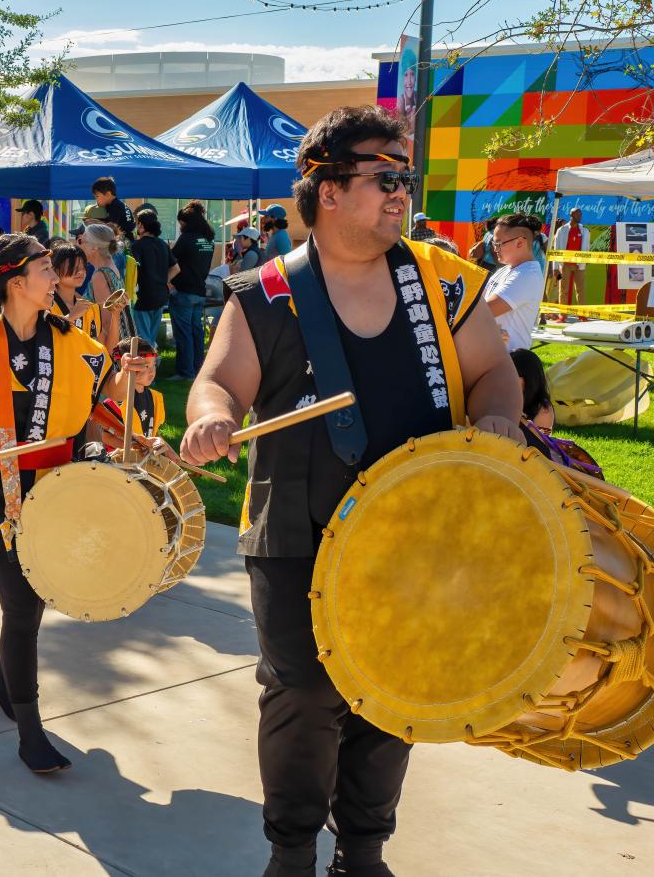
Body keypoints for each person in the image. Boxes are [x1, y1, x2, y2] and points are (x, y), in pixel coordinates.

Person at [180, 105, 522, 877]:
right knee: (302, 695)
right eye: (384, 176)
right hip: (297, 534)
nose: (401, 192)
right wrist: (208, 420)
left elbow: (494, 371)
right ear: (327, 189)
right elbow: (217, 383)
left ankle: (363, 851)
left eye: (406, 178)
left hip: (421, 530)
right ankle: (292, 852)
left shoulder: (443, 280)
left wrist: (501, 418)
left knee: (394, 689)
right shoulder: (263, 293)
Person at [0, 233, 141, 771]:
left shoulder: (70, 339)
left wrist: (134, 374)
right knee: (22, 609)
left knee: (35, 598)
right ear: (17, 282)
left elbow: (109, 390)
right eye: (47, 269)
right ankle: (30, 730)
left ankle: (5, 686)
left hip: (61, 490)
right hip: (2, 490)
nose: (58, 277)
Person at [485, 213, 545, 352]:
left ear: (520, 242)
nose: (495, 248)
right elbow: (477, 306)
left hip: (509, 361)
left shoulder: (527, 275)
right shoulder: (506, 269)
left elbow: (484, 310)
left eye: (499, 243)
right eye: (493, 243)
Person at [168, 201, 214, 381]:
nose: (180, 228)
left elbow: (172, 260)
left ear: (186, 223)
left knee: (183, 333)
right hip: (200, 291)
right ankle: (198, 369)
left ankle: (185, 372)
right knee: (197, 332)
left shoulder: (186, 239)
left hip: (184, 292)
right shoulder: (208, 240)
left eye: (181, 224)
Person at [80, 223, 131, 351]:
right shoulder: (111, 267)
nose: (80, 245)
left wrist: (109, 357)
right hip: (120, 342)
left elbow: (107, 322)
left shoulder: (100, 275)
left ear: (94, 248)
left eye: (82, 241)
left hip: (109, 350)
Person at [130, 210, 175, 350]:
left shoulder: (137, 246)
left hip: (143, 297)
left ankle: (148, 366)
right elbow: (176, 268)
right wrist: (162, 280)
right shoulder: (162, 244)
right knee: (151, 336)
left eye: (137, 224)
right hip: (160, 296)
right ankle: (152, 365)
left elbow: (132, 270)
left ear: (142, 226)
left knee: (143, 339)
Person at [50, 241, 102, 340]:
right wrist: (71, 316)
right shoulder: (44, 306)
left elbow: (100, 348)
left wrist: (115, 315)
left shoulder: (90, 308)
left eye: (83, 267)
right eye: (74, 267)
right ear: (54, 269)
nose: (81, 271)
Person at [552, 206, 591, 316]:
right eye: (577, 214)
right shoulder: (561, 230)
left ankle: (582, 315)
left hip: (579, 266)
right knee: (562, 290)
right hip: (564, 266)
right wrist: (555, 268)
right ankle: (562, 315)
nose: (580, 216)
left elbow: (587, 248)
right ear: (571, 216)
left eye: (580, 214)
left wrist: (583, 262)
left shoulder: (585, 230)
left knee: (580, 290)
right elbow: (556, 250)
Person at [91, 176, 135, 240]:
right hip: (127, 240)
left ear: (108, 194)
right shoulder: (118, 204)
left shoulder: (115, 207)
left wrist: (94, 223)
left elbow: (109, 228)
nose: (96, 200)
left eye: (97, 196)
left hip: (124, 244)